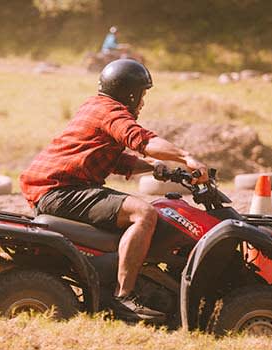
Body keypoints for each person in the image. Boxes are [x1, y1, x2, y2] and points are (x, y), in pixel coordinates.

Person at [20, 59, 208, 322]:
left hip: (54, 188)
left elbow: (108, 157)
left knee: (137, 211)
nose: (142, 102)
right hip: (61, 190)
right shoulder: (111, 112)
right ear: (129, 93)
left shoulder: (94, 106)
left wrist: (156, 168)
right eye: (142, 94)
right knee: (143, 213)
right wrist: (186, 157)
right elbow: (140, 139)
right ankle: (123, 296)